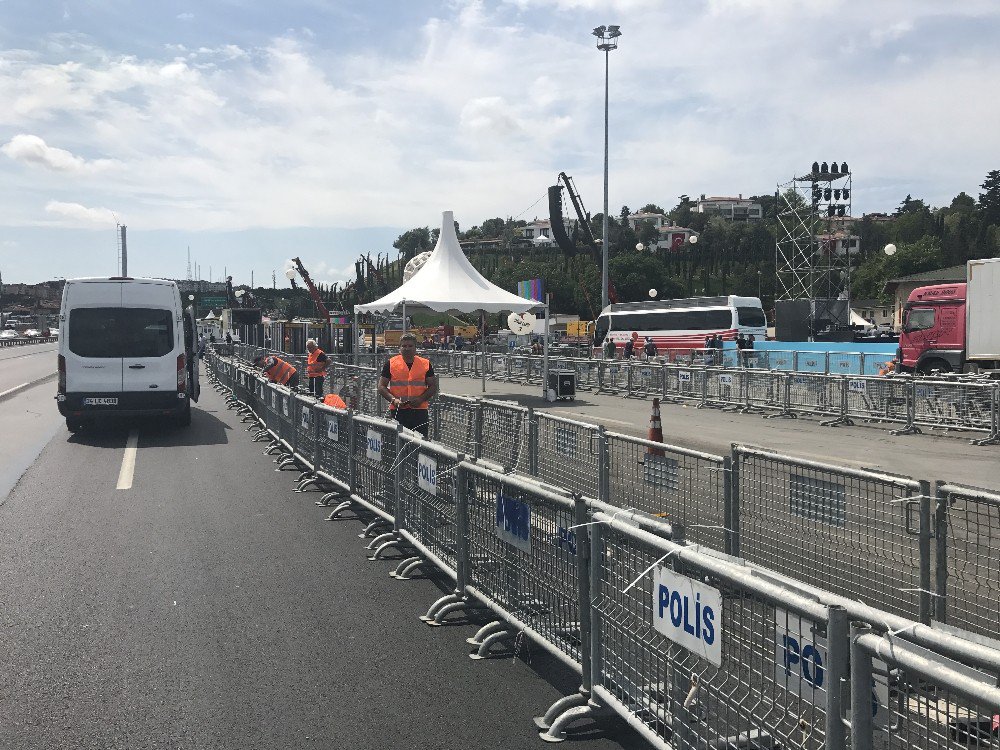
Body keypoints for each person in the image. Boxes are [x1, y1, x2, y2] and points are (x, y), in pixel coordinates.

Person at [377, 333, 438, 437]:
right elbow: (381, 386)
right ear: (399, 348)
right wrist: (393, 400)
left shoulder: (425, 364)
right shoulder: (390, 363)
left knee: (420, 443)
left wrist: (421, 399)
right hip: (398, 411)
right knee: (398, 442)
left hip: (420, 411)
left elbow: (433, 386)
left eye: (410, 346)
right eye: (404, 346)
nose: (407, 348)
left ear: (415, 347)